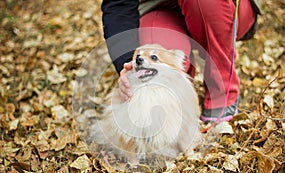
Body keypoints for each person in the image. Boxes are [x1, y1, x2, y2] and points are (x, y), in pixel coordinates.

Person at [101, 0, 261, 122]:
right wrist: (129, 62)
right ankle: (179, 104)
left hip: (218, 7)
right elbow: (118, 5)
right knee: (155, 56)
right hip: (160, 7)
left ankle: (222, 89)